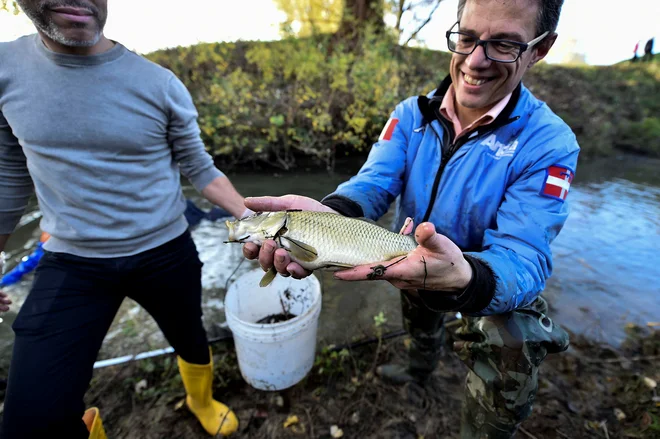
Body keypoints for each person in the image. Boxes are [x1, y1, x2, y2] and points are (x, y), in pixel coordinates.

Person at [241, 0, 579, 437]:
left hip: (489, 276)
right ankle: (420, 367)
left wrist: (469, 278)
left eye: (504, 46)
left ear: (540, 49)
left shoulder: (550, 143)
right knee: (419, 318)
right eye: (468, 38)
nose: (475, 61)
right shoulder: (409, 115)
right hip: (407, 257)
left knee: (513, 341)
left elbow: (526, 254)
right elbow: (374, 182)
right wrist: (331, 215)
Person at [0, 0, 251, 437]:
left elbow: (199, 168)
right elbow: (8, 175)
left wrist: (255, 220)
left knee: (190, 334)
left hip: (165, 249)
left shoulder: (160, 83)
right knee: (29, 424)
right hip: (70, 260)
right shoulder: (5, 69)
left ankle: (201, 400)